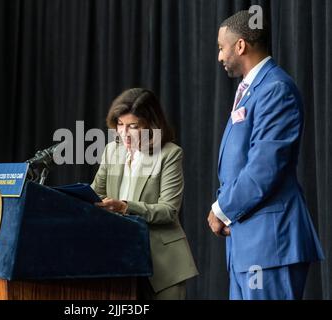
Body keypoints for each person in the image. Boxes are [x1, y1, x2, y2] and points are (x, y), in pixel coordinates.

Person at [208, 10, 324, 300]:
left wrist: (221, 208)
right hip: (247, 242)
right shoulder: (250, 90)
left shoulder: (275, 88)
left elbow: (264, 168)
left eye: (222, 48)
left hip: (271, 243)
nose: (220, 57)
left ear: (240, 46)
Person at [91, 88, 198, 300]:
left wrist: (124, 207)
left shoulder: (169, 154)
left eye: (133, 126)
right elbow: (94, 193)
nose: (124, 133)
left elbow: (168, 210)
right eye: (120, 125)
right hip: (120, 260)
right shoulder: (113, 151)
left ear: (151, 125)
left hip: (162, 264)